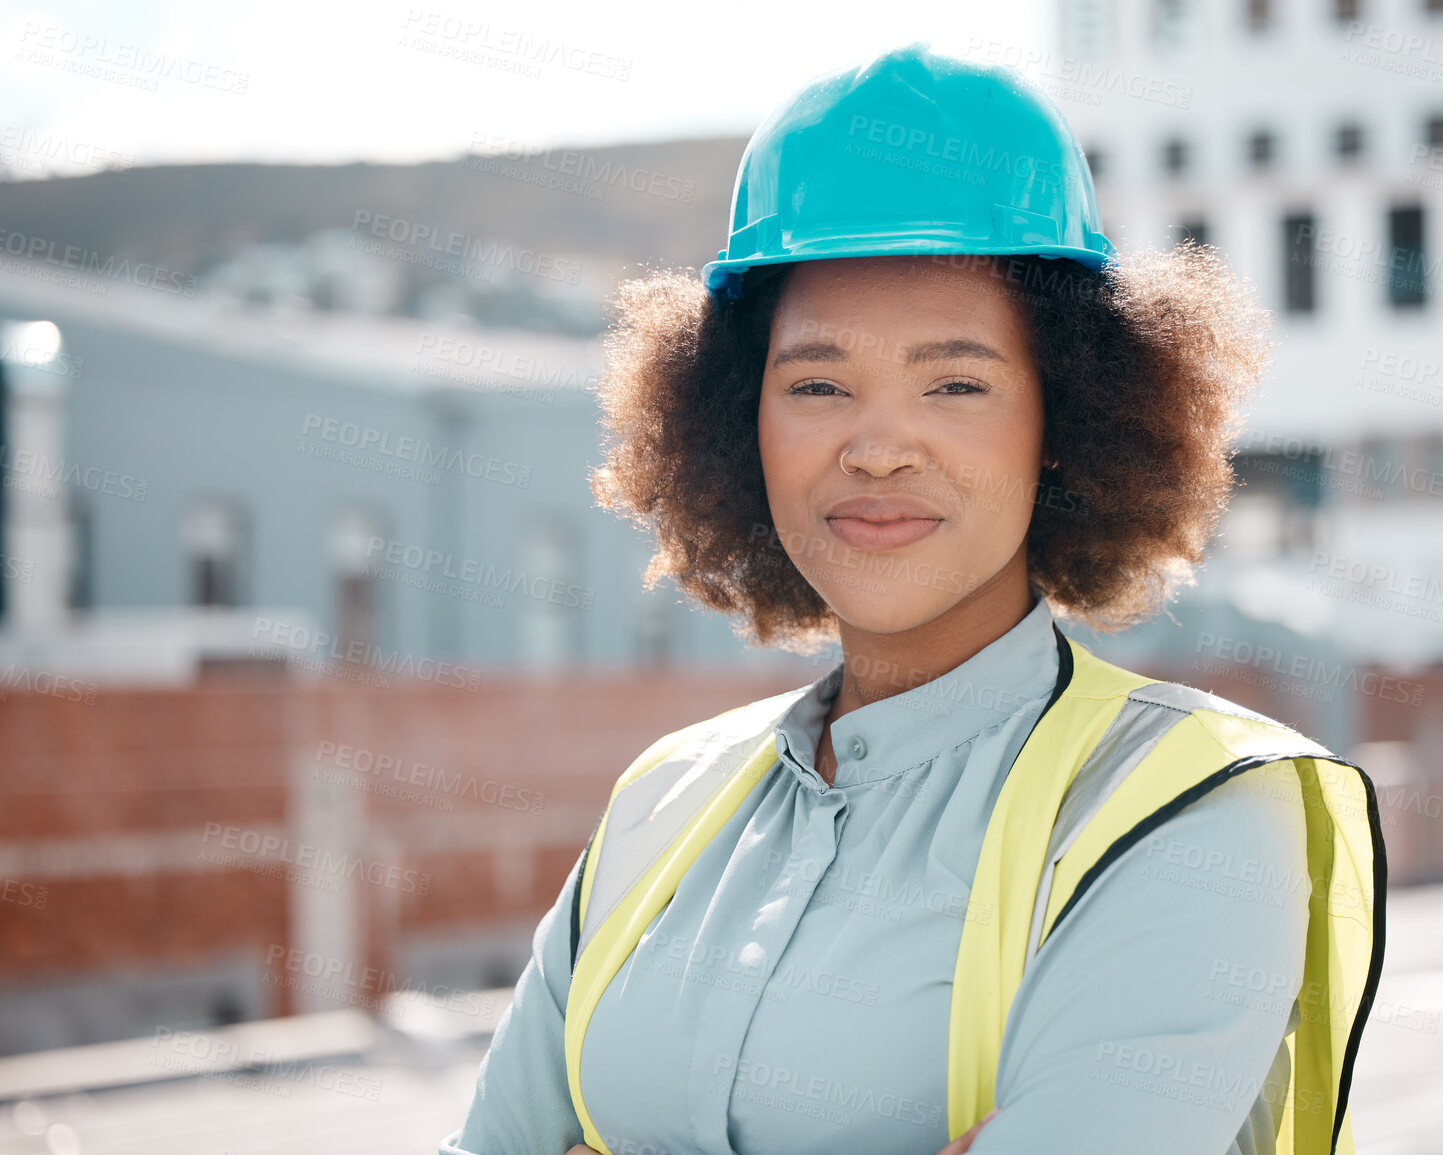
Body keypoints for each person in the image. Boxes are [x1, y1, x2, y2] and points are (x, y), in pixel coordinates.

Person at [441, 43, 1385, 1155]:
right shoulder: (663, 801)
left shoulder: (1196, 813)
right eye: (819, 384)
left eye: (956, 384)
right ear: (740, 422)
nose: (878, 448)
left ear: (1066, 421)